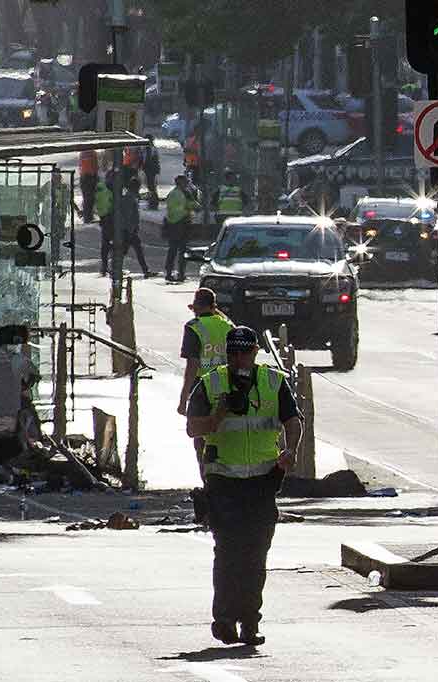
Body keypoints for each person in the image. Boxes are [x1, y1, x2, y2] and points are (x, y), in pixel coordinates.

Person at [186, 326, 302, 646]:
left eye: (245, 352)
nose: (240, 360)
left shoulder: (272, 381)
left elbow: (293, 420)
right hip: (224, 483)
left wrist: (290, 451)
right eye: (233, 353)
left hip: (263, 484)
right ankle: (224, 620)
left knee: (255, 554)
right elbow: (192, 428)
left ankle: (250, 622)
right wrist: (218, 414)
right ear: (227, 354)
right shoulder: (211, 384)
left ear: (255, 352)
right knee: (228, 553)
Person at [178, 288, 235, 477]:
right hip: (228, 387)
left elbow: (192, 366)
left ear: (195, 307)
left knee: (200, 437)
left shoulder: (193, 327)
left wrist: (183, 398)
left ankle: (207, 479)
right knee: (226, 436)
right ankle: (226, 477)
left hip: (202, 390)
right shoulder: (227, 325)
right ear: (214, 306)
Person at [163, 174, 199, 282]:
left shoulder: (183, 193)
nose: (187, 184)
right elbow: (177, 210)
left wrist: (192, 201)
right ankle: (174, 273)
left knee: (177, 250)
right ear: (180, 183)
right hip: (178, 224)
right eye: (185, 182)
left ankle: (177, 273)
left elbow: (195, 206)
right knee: (177, 250)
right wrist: (187, 211)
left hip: (179, 224)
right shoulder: (176, 194)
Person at [120, 176, 153, 277]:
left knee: (136, 250)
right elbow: (128, 215)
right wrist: (131, 229)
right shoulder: (129, 198)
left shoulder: (131, 196)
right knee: (125, 251)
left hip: (130, 229)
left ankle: (145, 270)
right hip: (129, 230)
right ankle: (115, 269)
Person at [95, 172, 114, 276]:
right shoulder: (106, 188)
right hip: (108, 217)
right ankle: (107, 266)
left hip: (106, 217)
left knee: (106, 243)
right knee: (110, 243)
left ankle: (105, 266)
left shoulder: (101, 187)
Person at [79, 149, 98, 223]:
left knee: (87, 198)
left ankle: (87, 216)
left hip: (85, 177)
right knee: (90, 198)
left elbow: (80, 165)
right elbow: (95, 166)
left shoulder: (82, 153)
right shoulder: (93, 153)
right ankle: (88, 216)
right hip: (90, 177)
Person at [143, 136, 161, 209]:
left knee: (152, 187)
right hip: (149, 170)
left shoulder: (151, 149)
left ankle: (153, 204)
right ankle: (152, 203)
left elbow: (152, 160)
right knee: (151, 187)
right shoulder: (149, 149)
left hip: (151, 170)